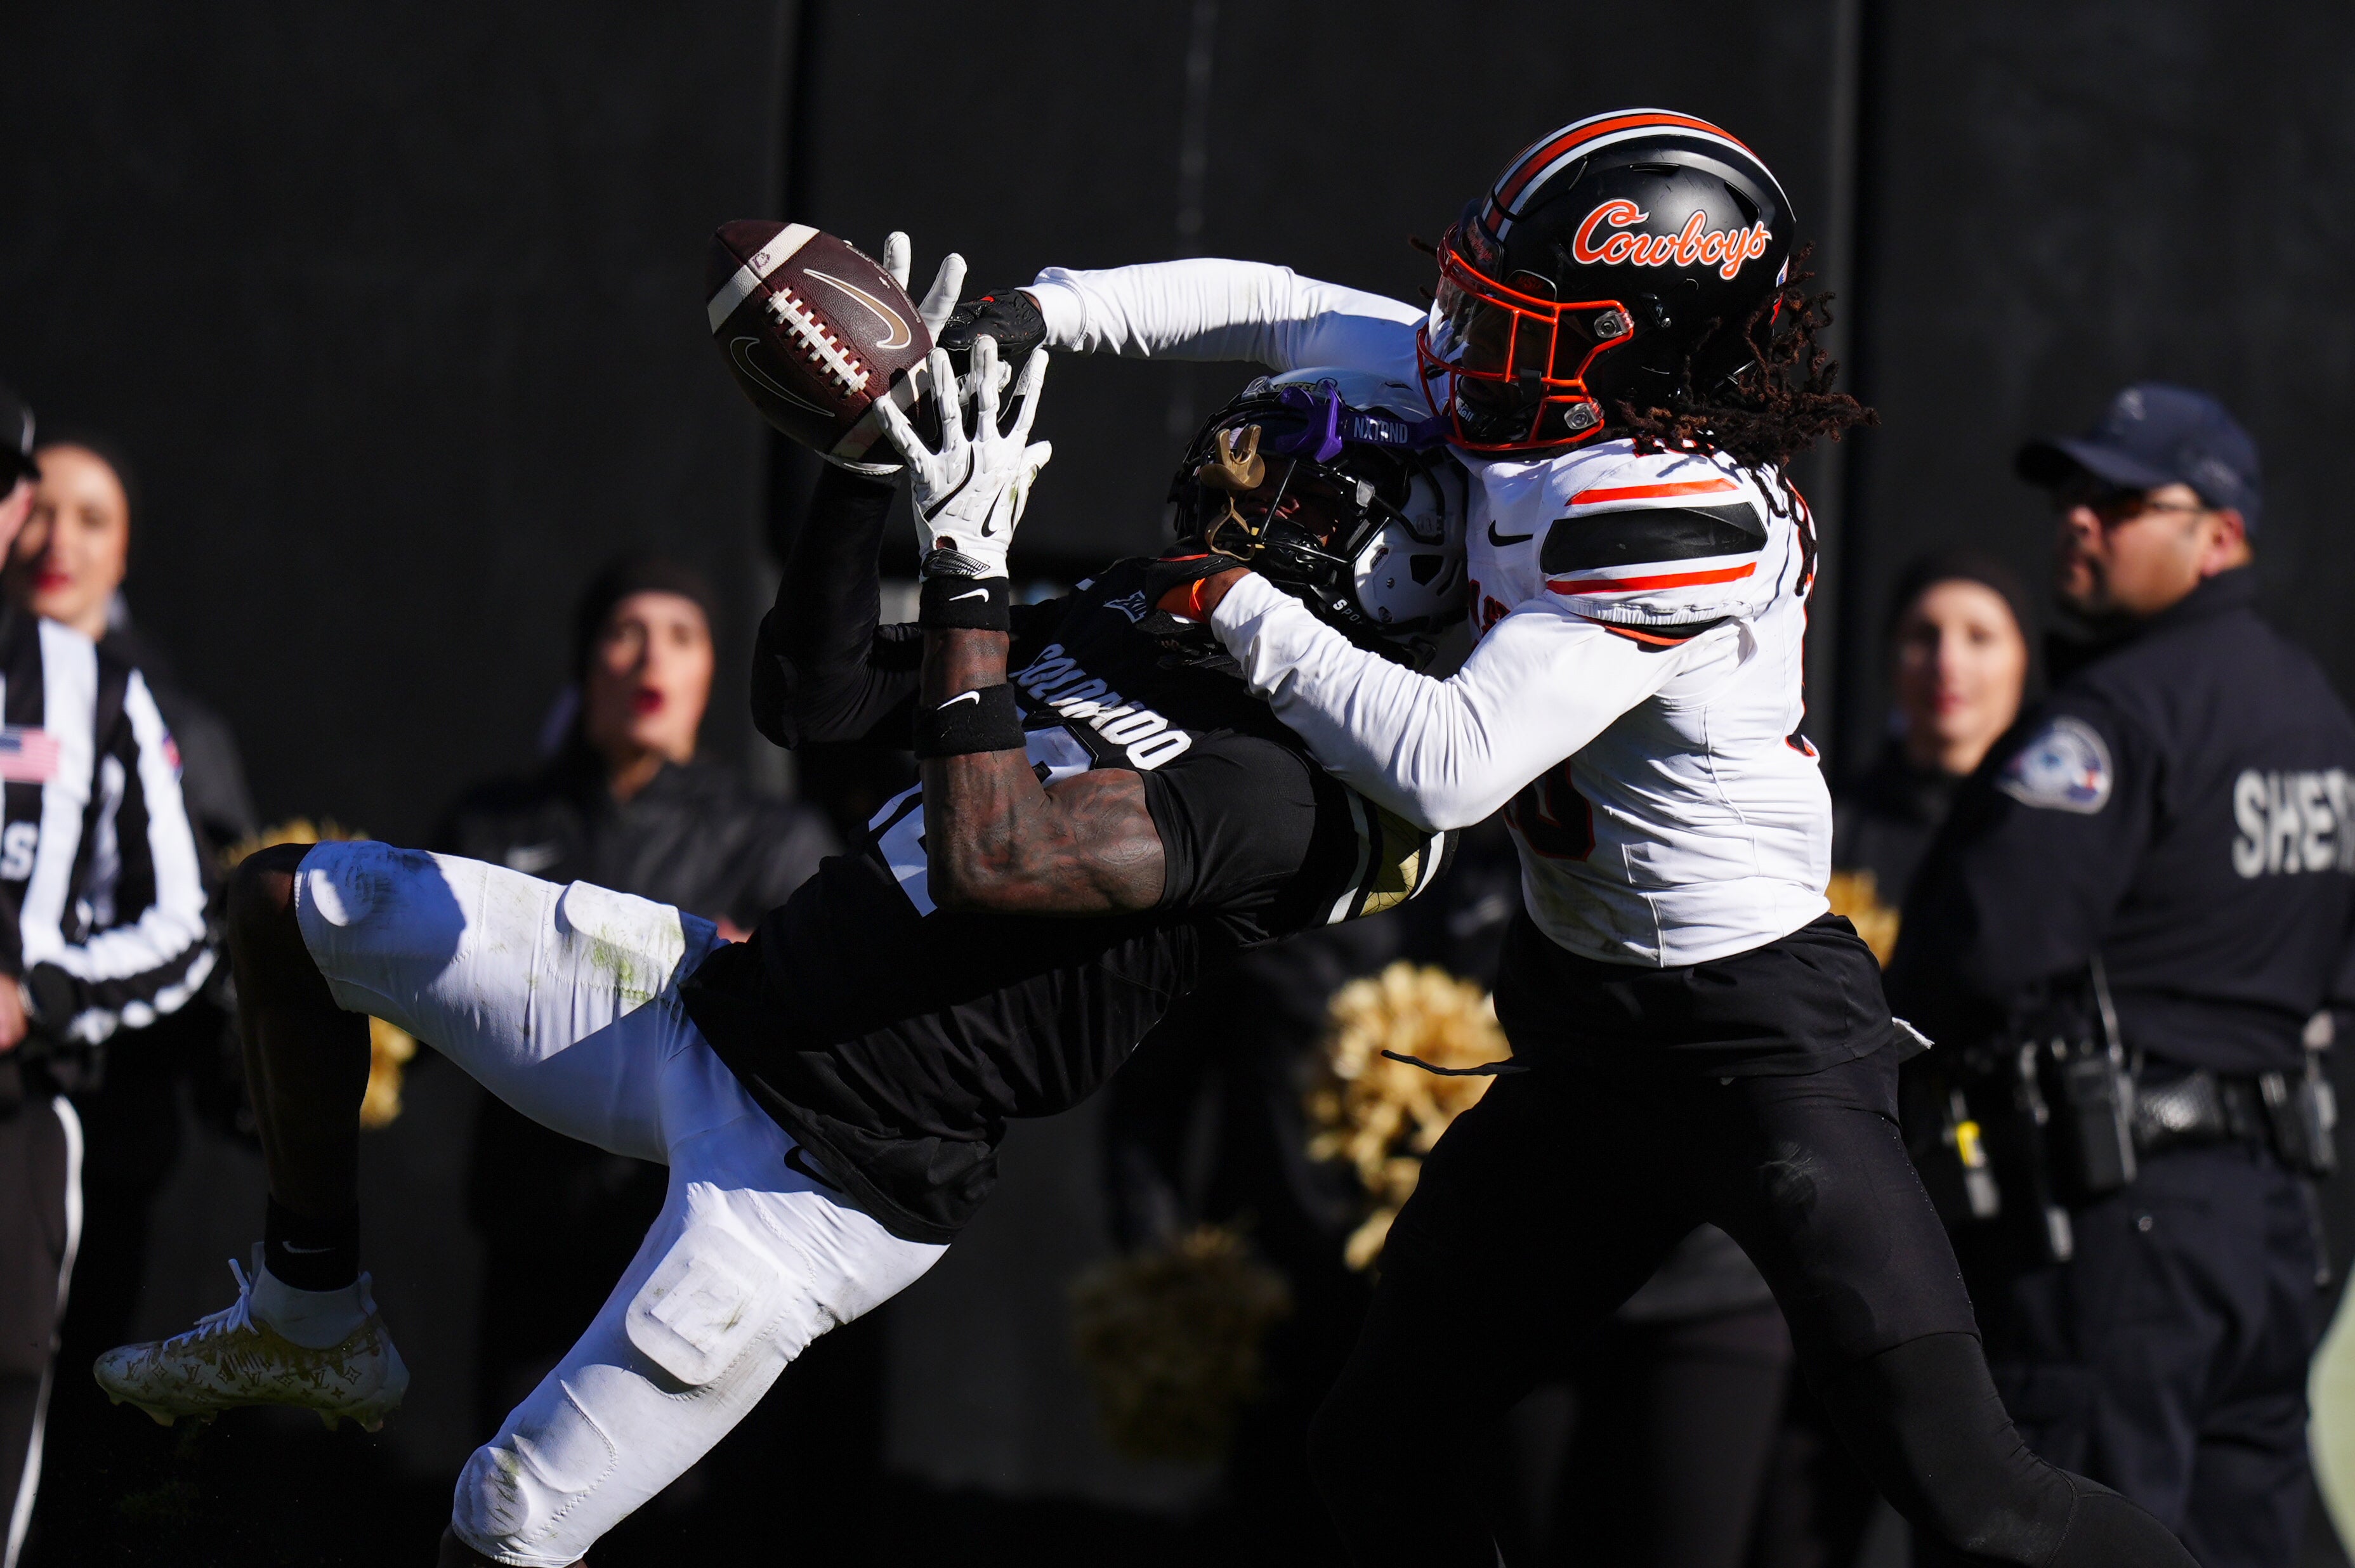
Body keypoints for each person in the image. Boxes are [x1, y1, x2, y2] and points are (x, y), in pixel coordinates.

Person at [945, 108, 2195, 1564]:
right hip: (1584, 1031)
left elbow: (1452, 765)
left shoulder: (1669, 504)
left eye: (1515, 322)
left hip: (1758, 1046)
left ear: (1631, 346)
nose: (1461, 346)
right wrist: (1032, 314)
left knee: (1976, 1499)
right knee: (1374, 1441)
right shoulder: (1546, 399)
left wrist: (1222, 602)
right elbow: (1274, 306)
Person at [89, 304, 1467, 1565]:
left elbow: (996, 856)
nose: (1238, 475)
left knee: (504, 1517)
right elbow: (808, 702)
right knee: (289, 904)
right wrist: (860, 465)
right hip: (718, 1008)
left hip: (825, 1184)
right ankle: (309, 1305)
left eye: (1291, 481)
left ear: (1377, 563)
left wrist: (971, 578)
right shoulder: (1127, 621)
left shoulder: (1290, 795)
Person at [1889, 384, 2352, 1568]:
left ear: (2223, 536)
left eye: (2122, 501)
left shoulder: (2114, 718)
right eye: (2071, 499)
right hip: (2270, 1229)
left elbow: (1978, 953)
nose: (2080, 523)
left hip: (2118, 1231)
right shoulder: (2315, 715)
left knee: (2071, 1532)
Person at [439, 553, 835, 1427]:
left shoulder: (775, 841)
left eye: (681, 637)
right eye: (626, 633)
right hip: (529, 1229)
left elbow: (822, 1037)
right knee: (512, 1509)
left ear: (711, 670)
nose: (652, 659)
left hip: (697, 1243)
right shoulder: (492, 826)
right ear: (585, 662)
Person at [0, 382, 213, 1568]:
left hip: (82, 1130)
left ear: (124, 548)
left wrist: (42, 996)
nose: (57, 541)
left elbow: (199, 930)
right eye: (40, 509)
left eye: (94, 519)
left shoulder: (146, 709)